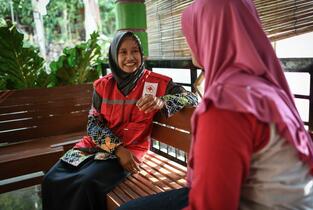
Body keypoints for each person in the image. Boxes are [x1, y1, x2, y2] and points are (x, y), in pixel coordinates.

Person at [117, 0, 313, 210]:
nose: (189, 43)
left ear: (209, 35)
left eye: (192, 34)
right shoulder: (264, 87)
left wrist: (161, 102)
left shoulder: (227, 104)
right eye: (123, 52)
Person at [41, 31, 198, 210]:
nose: (130, 57)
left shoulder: (156, 83)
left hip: (130, 153)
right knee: (51, 179)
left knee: (85, 184)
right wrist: (117, 148)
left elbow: (192, 99)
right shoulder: (102, 85)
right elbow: (93, 125)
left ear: (142, 54)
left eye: (135, 51)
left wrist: (162, 101)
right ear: (114, 56)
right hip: (96, 147)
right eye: (123, 52)